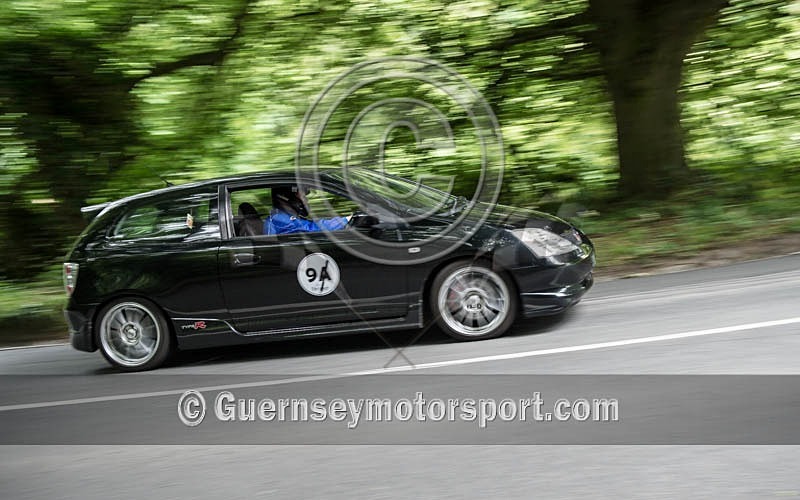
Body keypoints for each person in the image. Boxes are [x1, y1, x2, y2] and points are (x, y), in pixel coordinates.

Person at [264, 186, 350, 235]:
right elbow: (312, 229)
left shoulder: (282, 216)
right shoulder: (280, 219)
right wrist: (347, 219)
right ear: (288, 197)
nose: (306, 200)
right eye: (303, 196)